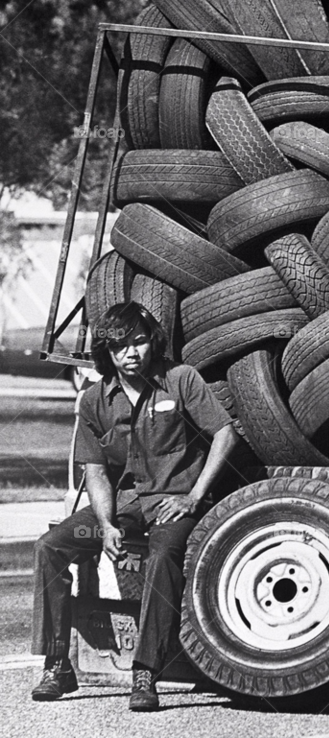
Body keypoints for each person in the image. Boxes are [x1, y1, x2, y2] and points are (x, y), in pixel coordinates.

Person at [31, 302, 239, 712]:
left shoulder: (180, 380)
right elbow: (95, 470)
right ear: (106, 353)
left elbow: (226, 435)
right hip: (124, 509)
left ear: (153, 342)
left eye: (139, 342)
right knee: (51, 546)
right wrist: (106, 524)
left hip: (173, 507)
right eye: (119, 346)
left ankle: (145, 671)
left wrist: (194, 496)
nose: (131, 353)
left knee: (163, 555)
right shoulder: (94, 400)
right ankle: (57, 664)